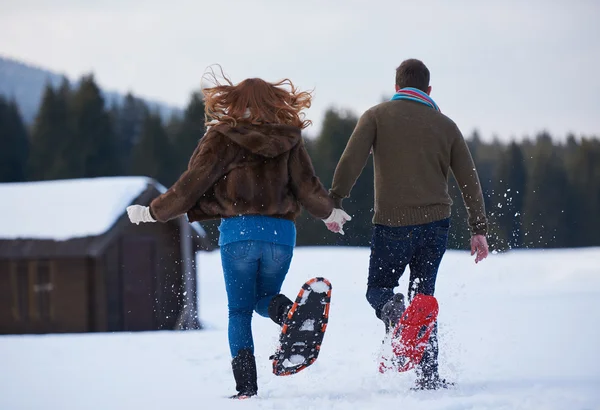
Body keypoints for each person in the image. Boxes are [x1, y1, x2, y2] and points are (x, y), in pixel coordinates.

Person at [126, 71, 349, 399]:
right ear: (274, 101)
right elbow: (307, 186)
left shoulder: (223, 137)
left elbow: (191, 185)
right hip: (281, 235)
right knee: (264, 297)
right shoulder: (290, 138)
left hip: (239, 233)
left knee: (239, 310)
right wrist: (331, 212)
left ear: (233, 101)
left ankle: (246, 387)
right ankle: (289, 313)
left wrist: (151, 211)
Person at [326, 58, 489, 390]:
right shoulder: (446, 125)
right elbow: (469, 180)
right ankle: (429, 376)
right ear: (429, 90)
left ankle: (393, 312)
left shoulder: (376, 116)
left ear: (397, 87)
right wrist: (478, 229)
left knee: (378, 290)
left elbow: (350, 160)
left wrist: (335, 201)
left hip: (392, 224)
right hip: (437, 226)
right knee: (423, 297)